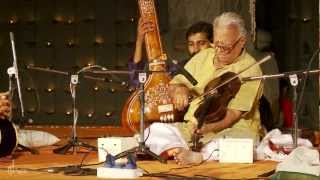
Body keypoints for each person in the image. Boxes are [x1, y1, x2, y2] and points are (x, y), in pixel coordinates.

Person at [144, 12, 263, 165]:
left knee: (238, 144)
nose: (219, 51)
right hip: (193, 126)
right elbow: (175, 84)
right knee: (153, 131)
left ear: (241, 42)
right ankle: (179, 149)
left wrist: (208, 128)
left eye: (225, 47)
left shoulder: (251, 68)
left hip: (232, 128)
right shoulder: (204, 56)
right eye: (217, 44)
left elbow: (233, 114)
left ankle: (200, 156)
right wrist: (180, 89)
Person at [128, 19, 213, 87]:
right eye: (191, 44)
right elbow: (138, 82)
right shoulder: (181, 68)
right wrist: (139, 41)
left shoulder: (219, 66)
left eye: (201, 43)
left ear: (212, 43)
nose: (196, 49)